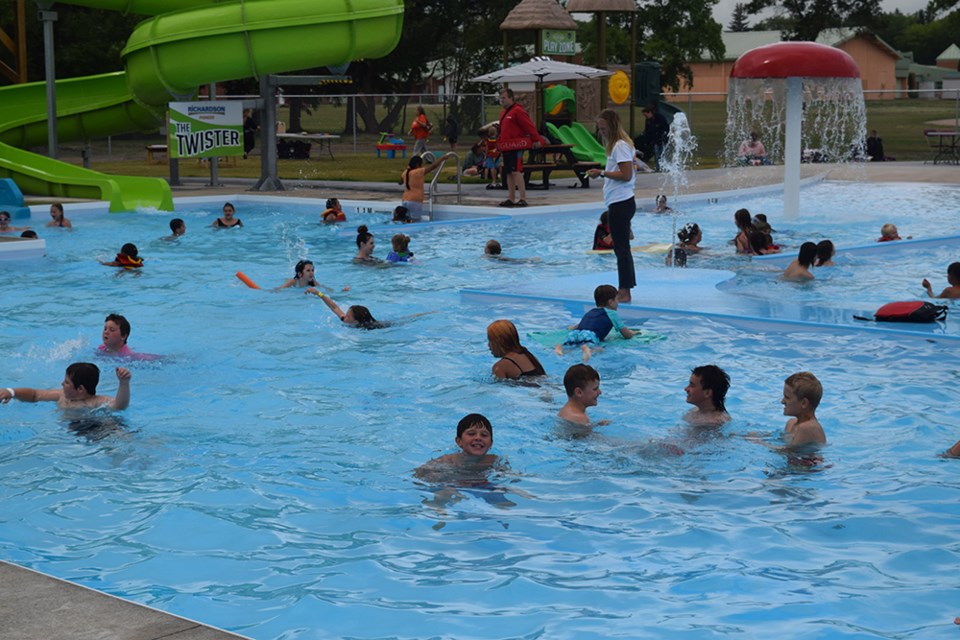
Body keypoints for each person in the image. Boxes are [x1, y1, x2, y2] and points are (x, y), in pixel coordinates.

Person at [587, 109, 637, 303]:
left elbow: (626, 175)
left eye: (604, 128)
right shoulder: (618, 146)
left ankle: (624, 291)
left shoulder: (619, 146)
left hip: (621, 202)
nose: (602, 133)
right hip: (620, 202)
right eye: (599, 129)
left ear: (612, 126)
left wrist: (601, 173)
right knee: (622, 249)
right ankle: (625, 289)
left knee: (622, 250)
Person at [555, 284, 636, 361]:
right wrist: (631, 333)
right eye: (617, 299)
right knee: (600, 350)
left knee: (570, 347)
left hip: (575, 334)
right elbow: (626, 335)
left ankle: (559, 348)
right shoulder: (612, 314)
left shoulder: (590, 312)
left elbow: (579, 325)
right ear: (611, 302)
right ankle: (588, 350)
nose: (618, 303)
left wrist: (571, 327)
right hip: (590, 336)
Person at [0, 362, 131, 411]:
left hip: (96, 429)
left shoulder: (96, 402)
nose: (62, 384)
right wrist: (11, 392)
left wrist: (123, 383)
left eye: (67, 382)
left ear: (80, 389)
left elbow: (119, 406)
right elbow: (35, 395)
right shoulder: (61, 396)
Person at [496, 88, 544, 208]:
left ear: (511, 98)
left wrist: (536, 139)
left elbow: (529, 126)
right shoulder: (504, 113)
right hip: (506, 146)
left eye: (504, 98)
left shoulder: (518, 111)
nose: (502, 100)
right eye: (501, 98)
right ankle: (511, 198)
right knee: (508, 173)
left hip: (516, 146)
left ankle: (522, 198)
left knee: (516, 171)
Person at [400, 152, 455, 221]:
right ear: (418, 164)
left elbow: (401, 182)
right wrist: (442, 158)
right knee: (415, 221)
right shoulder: (418, 172)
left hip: (405, 200)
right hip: (415, 200)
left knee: (406, 220)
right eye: (421, 164)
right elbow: (433, 166)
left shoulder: (405, 172)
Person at [781, 371, 826, 448]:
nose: (782, 401)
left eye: (787, 397)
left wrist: (760, 443)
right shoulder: (791, 423)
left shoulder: (808, 428)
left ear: (804, 403)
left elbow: (788, 452)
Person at [309, 289, 383, 329]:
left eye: (348, 316)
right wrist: (318, 293)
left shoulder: (367, 328)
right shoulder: (347, 320)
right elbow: (334, 307)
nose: (344, 316)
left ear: (356, 321)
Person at [639, 104, 669, 170]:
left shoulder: (660, 118)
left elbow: (666, 128)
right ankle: (658, 168)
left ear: (650, 112)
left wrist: (664, 136)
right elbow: (647, 131)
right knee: (657, 154)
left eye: (645, 115)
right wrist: (647, 141)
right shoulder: (648, 121)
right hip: (656, 140)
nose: (645, 116)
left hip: (663, 139)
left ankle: (665, 168)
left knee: (663, 154)